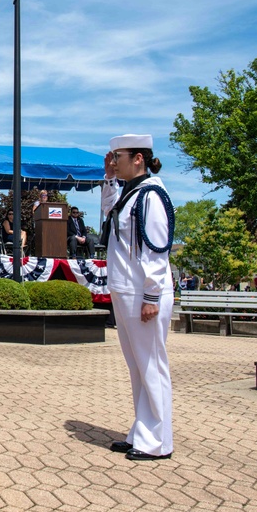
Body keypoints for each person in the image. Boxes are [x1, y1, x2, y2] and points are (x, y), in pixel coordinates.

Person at [101, 134, 175, 461]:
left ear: (139, 159)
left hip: (142, 293)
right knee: (137, 367)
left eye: (119, 156)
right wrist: (108, 178)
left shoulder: (152, 196)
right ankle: (142, 432)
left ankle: (158, 441)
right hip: (126, 289)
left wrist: (152, 295)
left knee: (151, 365)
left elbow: (157, 250)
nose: (114, 161)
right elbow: (109, 215)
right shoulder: (131, 193)